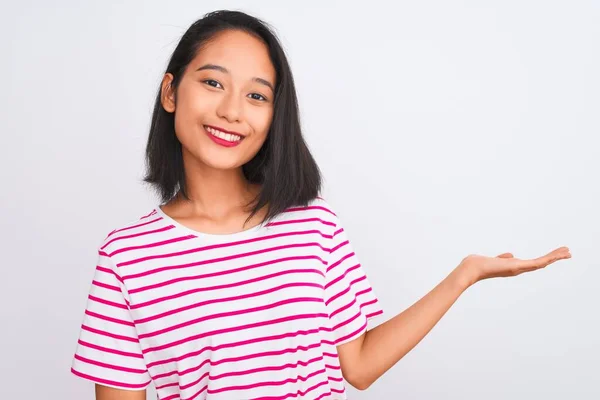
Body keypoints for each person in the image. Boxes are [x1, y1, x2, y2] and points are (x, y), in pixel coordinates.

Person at [70, 9, 571, 400]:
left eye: (257, 96)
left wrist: (464, 274)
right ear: (171, 91)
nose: (231, 111)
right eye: (213, 82)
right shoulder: (127, 256)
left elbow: (360, 366)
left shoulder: (312, 225)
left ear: (273, 115)